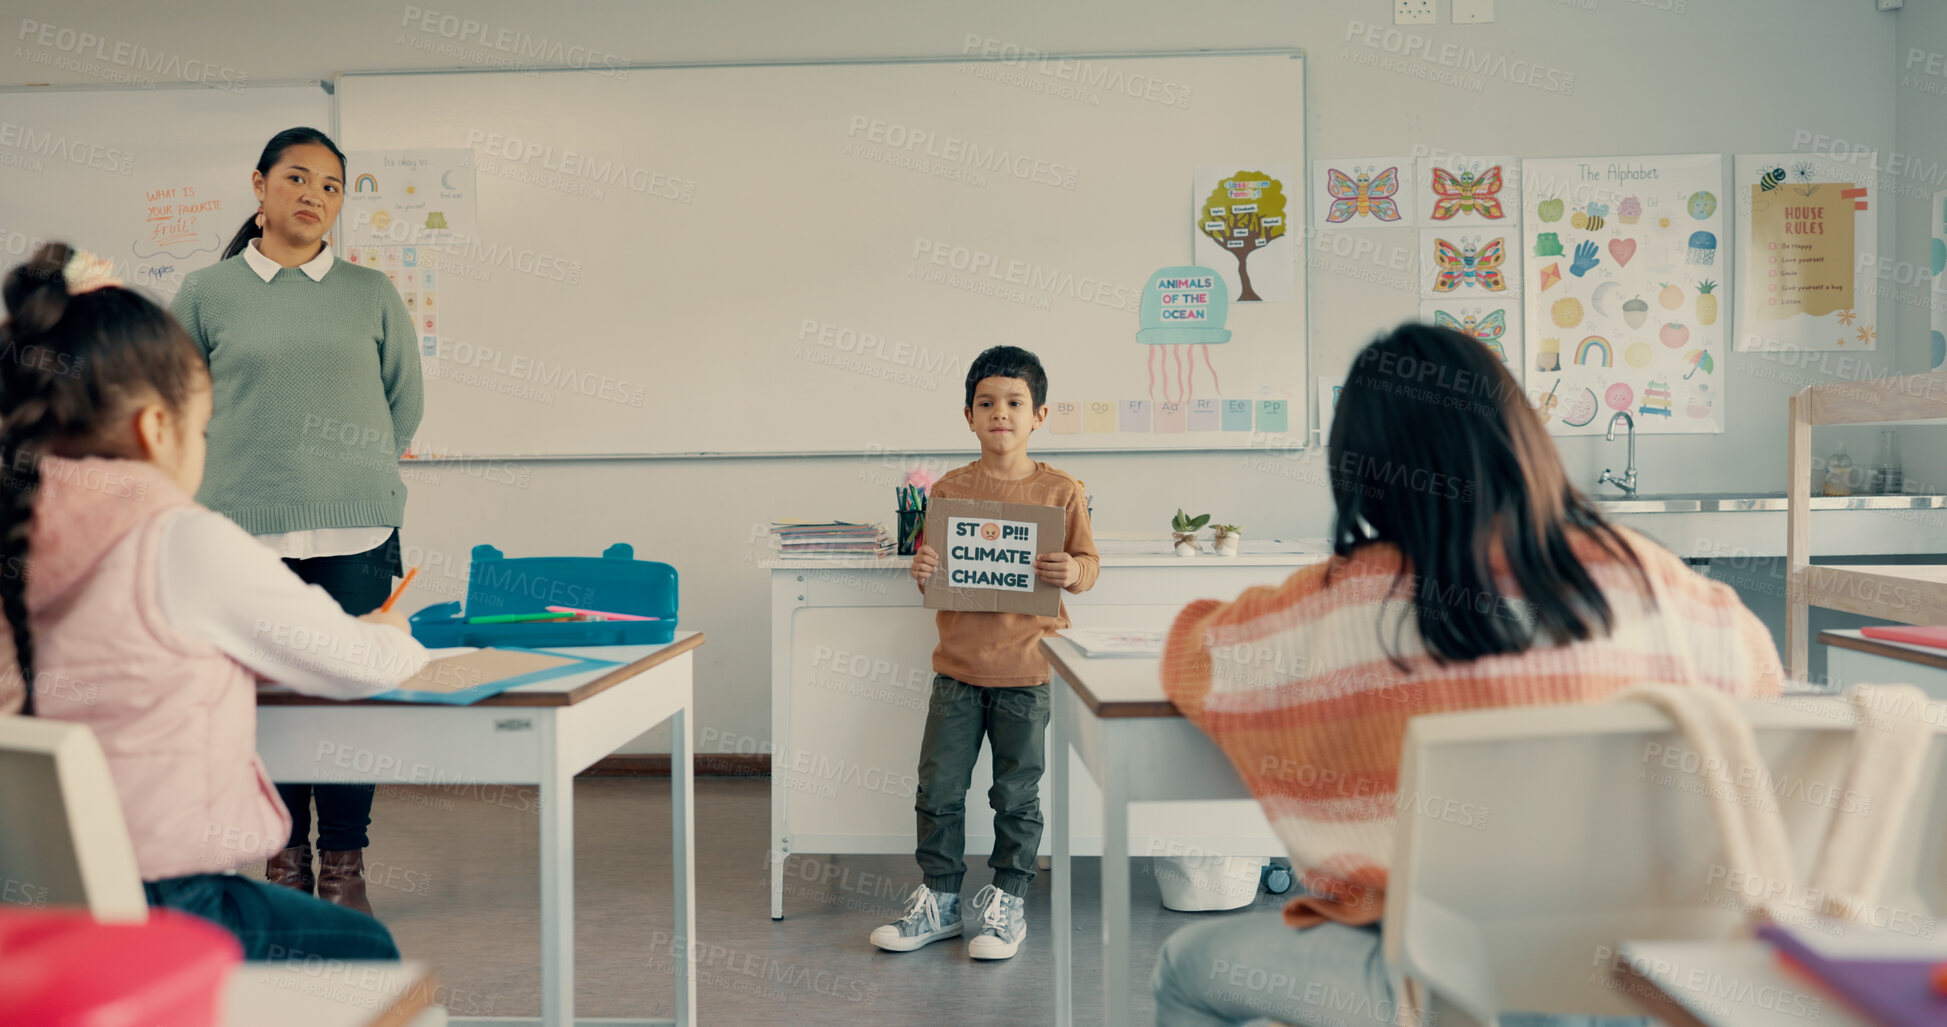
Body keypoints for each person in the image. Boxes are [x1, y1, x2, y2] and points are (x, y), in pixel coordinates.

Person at [1150, 323, 1782, 1026]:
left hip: (1433, 984)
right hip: (1631, 982)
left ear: (1362, 463)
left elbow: (1192, 652)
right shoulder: (1652, 580)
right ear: (1518, 436)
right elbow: (1759, 678)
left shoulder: (1337, 601)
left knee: (1186, 967)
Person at [0, 243, 431, 958]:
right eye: (202, 430)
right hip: (165, 905)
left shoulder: (19, 528)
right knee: (367, 953)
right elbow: (353, 663)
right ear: (156, 428)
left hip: (28, 912)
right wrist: (393, 631)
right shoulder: (180, 539)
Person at [172, 127, 424, 915]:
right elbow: (180, 408)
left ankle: (344, 864)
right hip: (241, 531)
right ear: (260, 185)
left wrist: (355, 473)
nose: (314, 195)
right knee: (264, 704)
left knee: (352, 698)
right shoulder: (206, 292)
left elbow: (402, 405)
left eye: (331, 185)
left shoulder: (371, 291)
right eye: (297, 178)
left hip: (356, 530)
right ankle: (284, 863)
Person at [870, 345, 1100, 960]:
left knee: (1015, 794)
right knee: (938, 788)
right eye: (987, 403)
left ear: (1040, 415)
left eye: (1015, 402)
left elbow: (1090, 565)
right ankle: (941, 900)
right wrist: (923, 568)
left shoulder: (1060, 491)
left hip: (1029, 670)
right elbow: (936, 569)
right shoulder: (950, 491)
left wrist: (1071, 569)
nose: (1001, 413)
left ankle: (1008, 903)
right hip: (957, 669)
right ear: (969, 416)